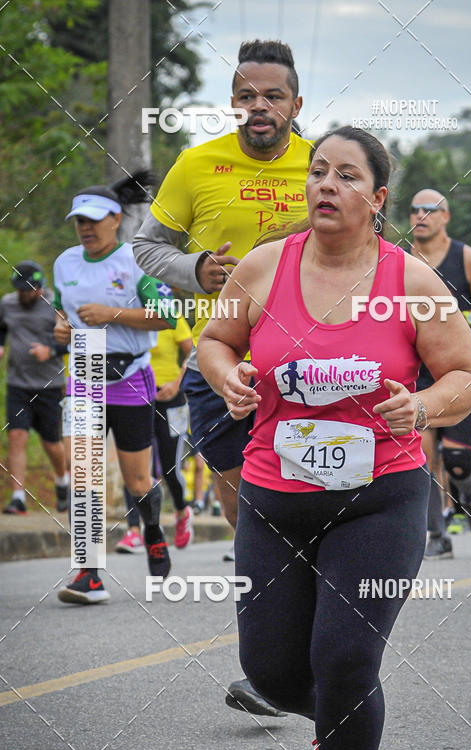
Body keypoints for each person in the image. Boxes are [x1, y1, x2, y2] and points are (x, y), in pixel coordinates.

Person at [197, 126, 471, 750]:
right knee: (269, 671)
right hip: (273, 496)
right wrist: (227, 373)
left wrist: (422, 407)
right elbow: (215, 339)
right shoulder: (265, 266)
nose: (326, 183)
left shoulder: (413, 284)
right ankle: (339, 730)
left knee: (346, 656)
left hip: (378, 500)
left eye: (346, 175)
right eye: (318, 170)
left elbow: (469, 375)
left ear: (377, 198)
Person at [134, 39, 311, 716]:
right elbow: (148, 244)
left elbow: (368, 248)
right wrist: (196, 268)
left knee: (298, 503)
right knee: (249, 509)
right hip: (221, 360)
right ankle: (275, 656)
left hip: (307, 363)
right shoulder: (198, 163)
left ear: (297, 104)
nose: (259, 106)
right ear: (233, 100)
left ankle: (281, 660)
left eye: (273, 95)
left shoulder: (323, 163)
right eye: (247, 94)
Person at [53, 172, 176, 604]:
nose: (85, 228)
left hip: (129, 378)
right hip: (83, 372)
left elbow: (167, 318)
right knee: (84, 476)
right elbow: (61, 313)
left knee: (138, 480)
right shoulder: (65, 263)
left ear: (116, 219)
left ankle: (154, 530)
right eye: (78, 221)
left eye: (93, 220)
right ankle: (88, 573)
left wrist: (111, 314)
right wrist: (61, 330)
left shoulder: (136, 261)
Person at [409, 190, 471, 558]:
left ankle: (469, 494)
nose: (421, 215)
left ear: (445, 216)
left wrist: (460, 319)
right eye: (415, 209)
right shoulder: (402, 259)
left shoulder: (467, 258)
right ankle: (437, 536)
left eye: (429, 209)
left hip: (459, 371)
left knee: (458, 461)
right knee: (421, 455)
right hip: (416, 373)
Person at [117, 312, 195, 552]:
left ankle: (182, 511)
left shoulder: (169, 316)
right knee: (138, 467)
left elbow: (195, 353)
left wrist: (177, 384)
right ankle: (134, 530)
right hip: (136, 396)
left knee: (170, 467)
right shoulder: (126, 317)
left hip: (170, 398)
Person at [1, 262, 69, 514]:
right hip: (17, 383)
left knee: (51, 442)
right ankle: (18, 497)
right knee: (17, 436)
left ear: (40, 288)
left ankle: (63, 481)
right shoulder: (7, 303)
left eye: (28, 290)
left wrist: (49, 350)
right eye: (20, 290)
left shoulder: (56, 305)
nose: (23, 295)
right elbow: (2, 328)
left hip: (49, 385)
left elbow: (73, 339)